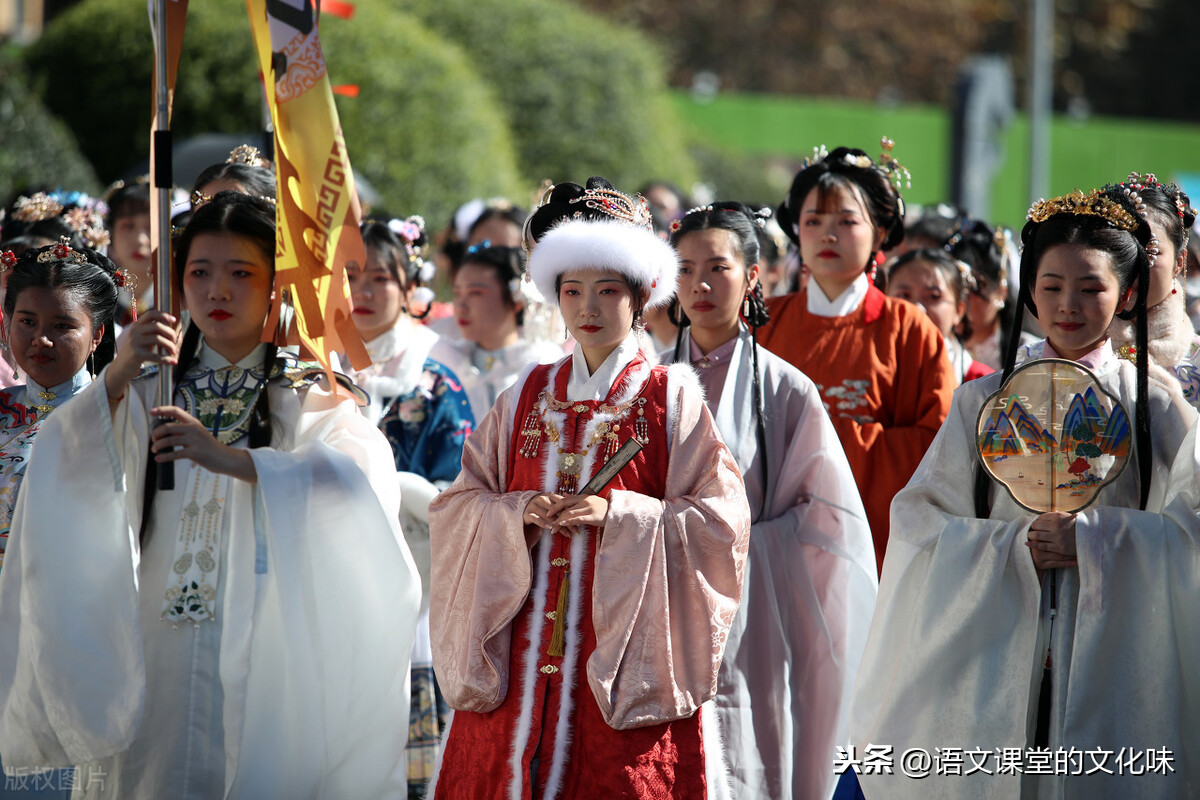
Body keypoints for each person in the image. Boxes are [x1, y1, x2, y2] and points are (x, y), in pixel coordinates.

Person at [0, 191, 420, 798]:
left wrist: (239, 462)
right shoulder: (146, 391)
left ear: (277, 283)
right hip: (153, 643)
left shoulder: (307, 391)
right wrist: (116, 376)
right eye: (200, 272)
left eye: (241, 273)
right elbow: (64, 469)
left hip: (266, 637)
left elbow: (357, 482)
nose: (217, 292)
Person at [850, 188, 1200, 798]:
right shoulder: (981, 401)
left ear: (1128, 294)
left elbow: (1190, 528)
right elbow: (916, 520)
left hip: (1111, 650)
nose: (1069, 305)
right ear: (1028, 289)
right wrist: (1011, 547)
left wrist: (1094, 540)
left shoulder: (1156, 405)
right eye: (1051, 285)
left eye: (1092, 288)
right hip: (993, 650)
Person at [428, 177, 751, 800]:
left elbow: (721, 521)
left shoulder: (671, 398)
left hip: (619, 662)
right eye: (572, 291)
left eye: (607, 291)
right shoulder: (526, 394)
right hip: (517, 661)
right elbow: (459, 504)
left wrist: (621, 515)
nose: (588, 309)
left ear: (640, 297)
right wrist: (517, 511)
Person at [664, 203, 877, 800]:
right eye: (685, 269)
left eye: (719, 267)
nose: (701, 285)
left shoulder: (785, 388)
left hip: (756, 613)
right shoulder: (645, 382)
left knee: (751, 755)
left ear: (754, 276)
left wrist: (738, 541)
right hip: (661, 602)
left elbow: (828, 517)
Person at [757, 143, 954, 573]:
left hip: (873, 550)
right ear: (796, 231)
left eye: (847, 221)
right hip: (777, 547)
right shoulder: (764, 325)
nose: (828, 235)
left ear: (880, 233)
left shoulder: (910, 329)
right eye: (813, 221)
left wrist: (822, 442)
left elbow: (938, 447)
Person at [345, 215, 474, 800]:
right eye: (350, 276)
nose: (364, 292)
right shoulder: (309, 369)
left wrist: (389, 487)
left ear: (407, 285)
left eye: (379, 277)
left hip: (415, 577)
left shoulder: (434, 379)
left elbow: (459, 491)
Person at [431, 243, 562, 422]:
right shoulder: (443, 361)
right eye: (457, 294)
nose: (461, 306)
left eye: (475, 293)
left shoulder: (544, 364)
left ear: (515, 301)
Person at [1102, 175, 1200, 407]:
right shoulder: (1055, 357)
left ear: (1179, 262)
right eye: (1118, 249)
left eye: (1150, 250)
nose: (1132, 264)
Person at [886, 247, 994, 385]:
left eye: (933, 297)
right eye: (904, 295)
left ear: (958, 310)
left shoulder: (986, 386)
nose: (918, 309)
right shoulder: (864, 368)